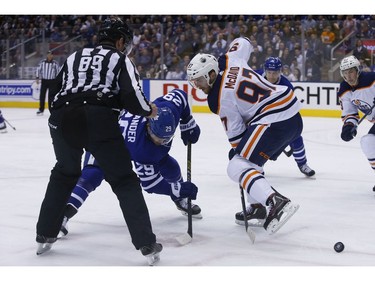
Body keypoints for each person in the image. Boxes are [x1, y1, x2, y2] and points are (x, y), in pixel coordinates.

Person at [35, 17, 162, 265]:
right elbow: (132, 96)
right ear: (119, 40)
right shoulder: (120, 58)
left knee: (64, 173)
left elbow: (56, 91)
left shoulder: (74, 56)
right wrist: (149, 111)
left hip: (62, 117)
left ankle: (44, 233)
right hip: (97, 118)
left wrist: (59, 116)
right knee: (124, 180)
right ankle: (146, 243)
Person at [187, 37, 300, 235]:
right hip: (291, 113)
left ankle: (276, 202)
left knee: (236, 166)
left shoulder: (218, 100)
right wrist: (227, 57)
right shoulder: (232, 59)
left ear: (212, 74)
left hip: (272, 118)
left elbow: (237, 134)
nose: (197, 85)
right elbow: (244, 41)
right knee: (251, 165)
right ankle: (257, 208)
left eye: (199, 80)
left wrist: (237, 152)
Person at [59, 88, 201, 237]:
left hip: (124, 133)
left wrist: (187, 122)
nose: (161, 142)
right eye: (158, 137)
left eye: (166, 139)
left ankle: (180, 200)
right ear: (148, 125)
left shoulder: (170, 108)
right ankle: (61, 216)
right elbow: (150, 184)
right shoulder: (142, 150)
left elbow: (181, 95)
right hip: (104, 138)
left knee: (170, 166)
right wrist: (176, 189)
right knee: (91, 176)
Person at [260, 57, 315, 178]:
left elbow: (288, 109)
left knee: (296, 137)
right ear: (265, 70)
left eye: (275, 73)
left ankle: (303, 164)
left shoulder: (286, 86)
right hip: (260, 116)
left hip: (280, 116)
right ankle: (257, 166)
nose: (272, 76)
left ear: (280, 72)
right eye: (269, 72)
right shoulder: (257, 77)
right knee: (257, 140)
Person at [338, 55, 375, 192]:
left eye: (351, 71)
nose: (349, 76)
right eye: (345, 73)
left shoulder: (371, 79)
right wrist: (348, 126)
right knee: (368, 142)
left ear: (358, 70)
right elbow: (350, 112)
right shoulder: (344, 89)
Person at [35, 50, 60, 115]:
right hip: (44, 81)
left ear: (52, 56)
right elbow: (38, 70)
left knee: (51, 97)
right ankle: (41, 109)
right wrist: (37, 78)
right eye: (48, 54)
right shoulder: (42, 62)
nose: (49, 56)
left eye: (51, 54)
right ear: (47, 55)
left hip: (52, 81)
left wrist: (57, 81)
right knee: (42, 95)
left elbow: (58, 72)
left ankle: (51, 110)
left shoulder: (55, 63)